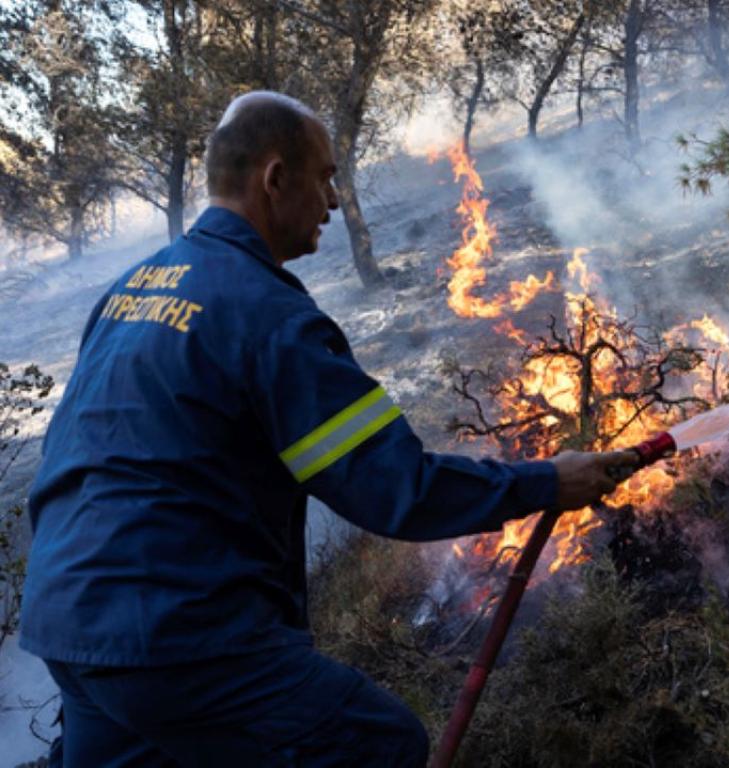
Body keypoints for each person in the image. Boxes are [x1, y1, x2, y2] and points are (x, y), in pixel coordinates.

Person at [18, 91, 636, 767]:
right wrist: (547, 480)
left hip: (67, 620)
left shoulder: (134, 288)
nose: (335, 201)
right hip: (175, 634)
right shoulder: (269, 316)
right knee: (380, 744)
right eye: (325, 177)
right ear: (275, 178)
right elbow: (396, 488)